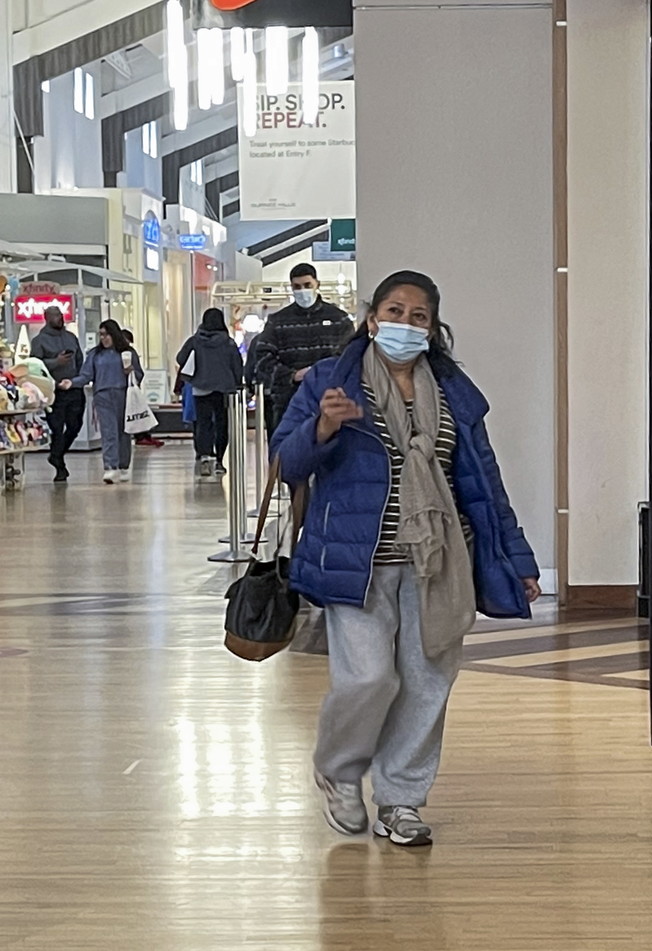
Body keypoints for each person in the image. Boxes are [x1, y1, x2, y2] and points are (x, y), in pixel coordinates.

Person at [273, 270, 541, 847]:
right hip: (357, 562)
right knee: (368, 678)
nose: (405, 324)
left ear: (433, 328)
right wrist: (324, 425)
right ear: (372, 320)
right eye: (394, 311)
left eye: (418, 316)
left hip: (439, 562)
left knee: (426, 683)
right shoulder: (330, 381)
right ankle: (339, 771)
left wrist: (517, 558)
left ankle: (401, 800)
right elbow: (286, 462)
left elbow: (484, 483)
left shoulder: (454, 395)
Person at [256, 263, 351, 436]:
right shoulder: (277, 321)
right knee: (287, 450)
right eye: (297, 287)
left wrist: (326, 375)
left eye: (307, 285)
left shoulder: (339, 319)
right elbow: (263, 361)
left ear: (317, 284)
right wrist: (292, 375)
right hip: (288, 404)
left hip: (331, 402)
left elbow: (350, 358)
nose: (302, 291)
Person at [59, 320, 144, 484]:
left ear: (114, 334)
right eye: (101, 335)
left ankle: (123, 465)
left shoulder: (128, 352)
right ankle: (111, 466)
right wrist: (72, 383)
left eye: (107, 334)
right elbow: (86, 375)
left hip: (124, 394)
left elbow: (139, 375)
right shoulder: (95, 354)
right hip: (103, 395)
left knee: (124, 431)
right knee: (108, 431)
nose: (104, 338)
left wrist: (131, 372)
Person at [175, 309, 245, 478]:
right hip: (224, 388)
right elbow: (237, 364)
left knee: (203, 423)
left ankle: (205, 457)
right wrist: (238, 384)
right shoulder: (228, 342)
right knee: (222, 424)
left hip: (201, 387)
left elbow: (180, 358)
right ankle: (219, 460)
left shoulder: (195, 341)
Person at [28, 305, 84, 482]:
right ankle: (59, 465)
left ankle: (56, 454)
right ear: (46, 318)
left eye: (60, 315)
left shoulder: (71, 337)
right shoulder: (39, 341)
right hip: (54, 392)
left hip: (74, 389)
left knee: (75, 426)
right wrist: (55, 362)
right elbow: (35, 366)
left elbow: (79, 360)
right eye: (55, 316)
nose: (59, 318)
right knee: (57, 429)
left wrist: (79, 379)